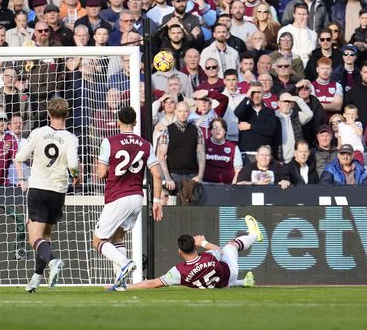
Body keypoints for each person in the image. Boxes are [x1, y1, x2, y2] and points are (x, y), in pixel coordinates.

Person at [93, 107, 164, 290]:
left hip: (118, 196)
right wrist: (156, 202)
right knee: (117, 238)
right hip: (136, 197)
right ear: (135, 122)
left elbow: (101, 173)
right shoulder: (145, 144)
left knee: (98, 241)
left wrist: (103, 164)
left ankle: (124, 263)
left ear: (118, 121)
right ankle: (120, 283)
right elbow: (157, 174)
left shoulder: (110, 142)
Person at [14, 98, 80, 293]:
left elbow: (20, 157)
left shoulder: (38, 133)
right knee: (46, 236)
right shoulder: (71, 138)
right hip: (58, 191)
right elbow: (74, 166)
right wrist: (76, 178)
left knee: (34, 238)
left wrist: (23, 177)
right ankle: (35, 279)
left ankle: (52, 262)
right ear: (67, 114)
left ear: (48, 114)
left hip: (39, 188)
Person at [112, 216, 262, 290]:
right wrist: (203, 242)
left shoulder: (178, 271)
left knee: (215, 274)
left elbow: (152, 283)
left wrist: (124, 287)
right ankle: (254, 235)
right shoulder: (209, 256)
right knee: (231, 245)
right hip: (229, 275)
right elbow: (219, 250)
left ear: (179, 252)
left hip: (218, 287)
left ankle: (242, 282)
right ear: (195, 248)